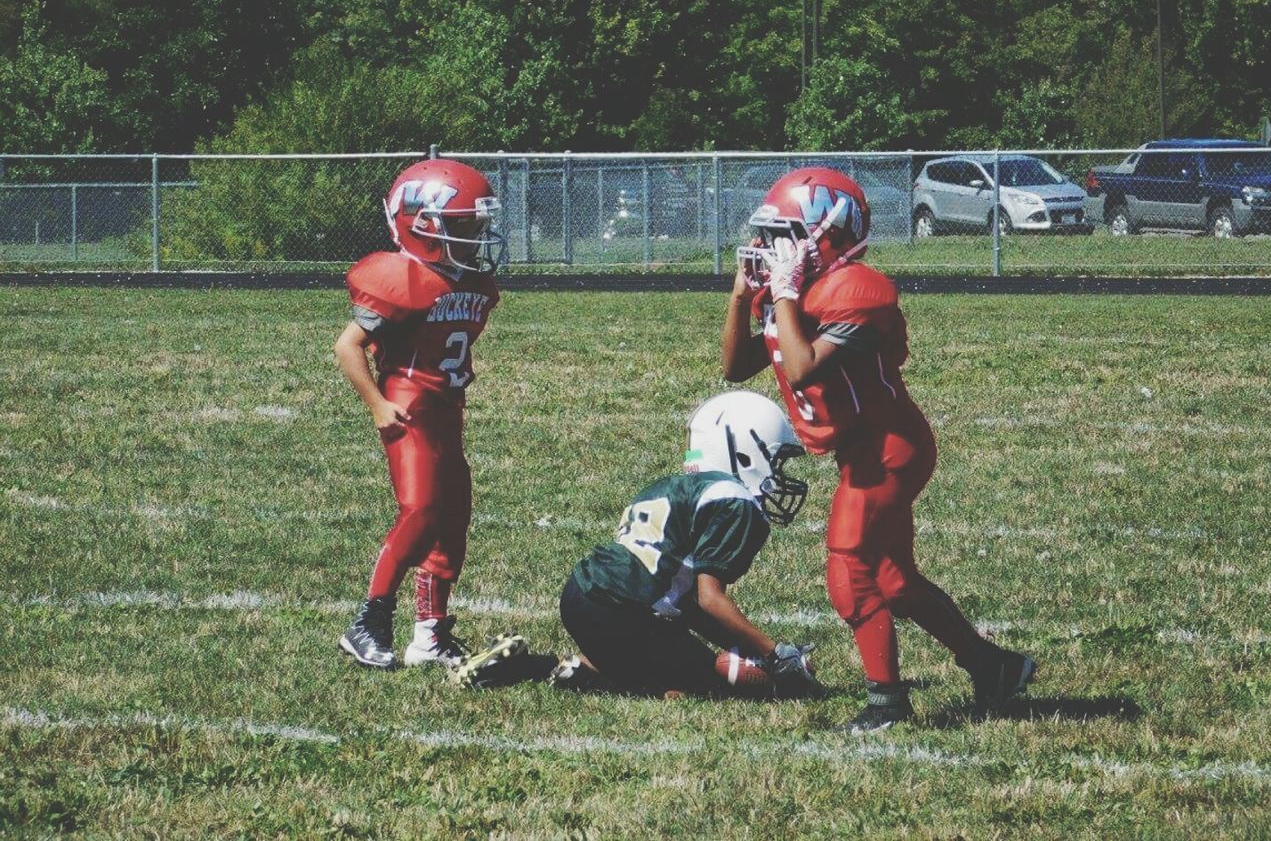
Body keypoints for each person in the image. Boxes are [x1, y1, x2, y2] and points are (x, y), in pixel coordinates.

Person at [721, 167, 1035, 732]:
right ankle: (994, 667)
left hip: (888, 447)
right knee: (893, 578)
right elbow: (734, 367)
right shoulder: (794, 290)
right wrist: (744, 297)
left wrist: (786, 295)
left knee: (850, 570)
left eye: (784, 233)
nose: (770, 246)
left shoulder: (855, 288)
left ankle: (886, 702)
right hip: (862, 446)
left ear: (829, 232)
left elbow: (800, 365)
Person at [335, 157, 522, 674]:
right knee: (419, 510)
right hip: (409, 402)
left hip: (447, 406)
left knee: (452, 517)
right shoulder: (400, 277)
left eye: (476, 224)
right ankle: (368, 622)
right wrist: (377, 404)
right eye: (462, 225)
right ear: (420, 226)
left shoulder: (467, 281)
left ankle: (430, 635)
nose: (475, 235)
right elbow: (348, 347)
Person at [545, 390, 826, 699]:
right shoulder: (735, 502)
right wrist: (775, 655)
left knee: (673, 662)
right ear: (745, 453)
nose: (777, 474)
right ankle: (610, 676)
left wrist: (744, 645)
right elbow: (708, 599)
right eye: (775, 461)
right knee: (714, 685)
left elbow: (688, 603)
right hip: (621, 612)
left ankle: (564, 669)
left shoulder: (672, 487)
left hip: (580, 594)